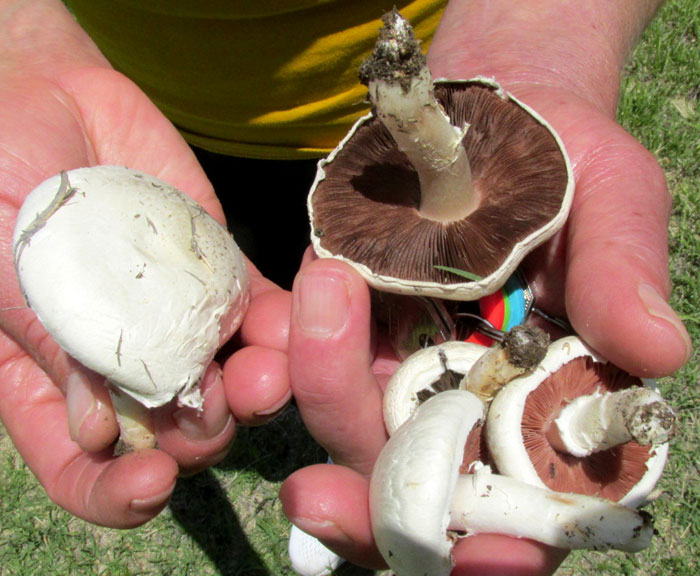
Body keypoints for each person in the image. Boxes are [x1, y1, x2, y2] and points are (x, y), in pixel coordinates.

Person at [0, 0, 691, 574]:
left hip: (446, 71)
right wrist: (23, 47)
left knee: (369, 330)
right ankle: (345, 448)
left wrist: (529, 38)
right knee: (304, 309)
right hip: (169, 124)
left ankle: (368, 457)